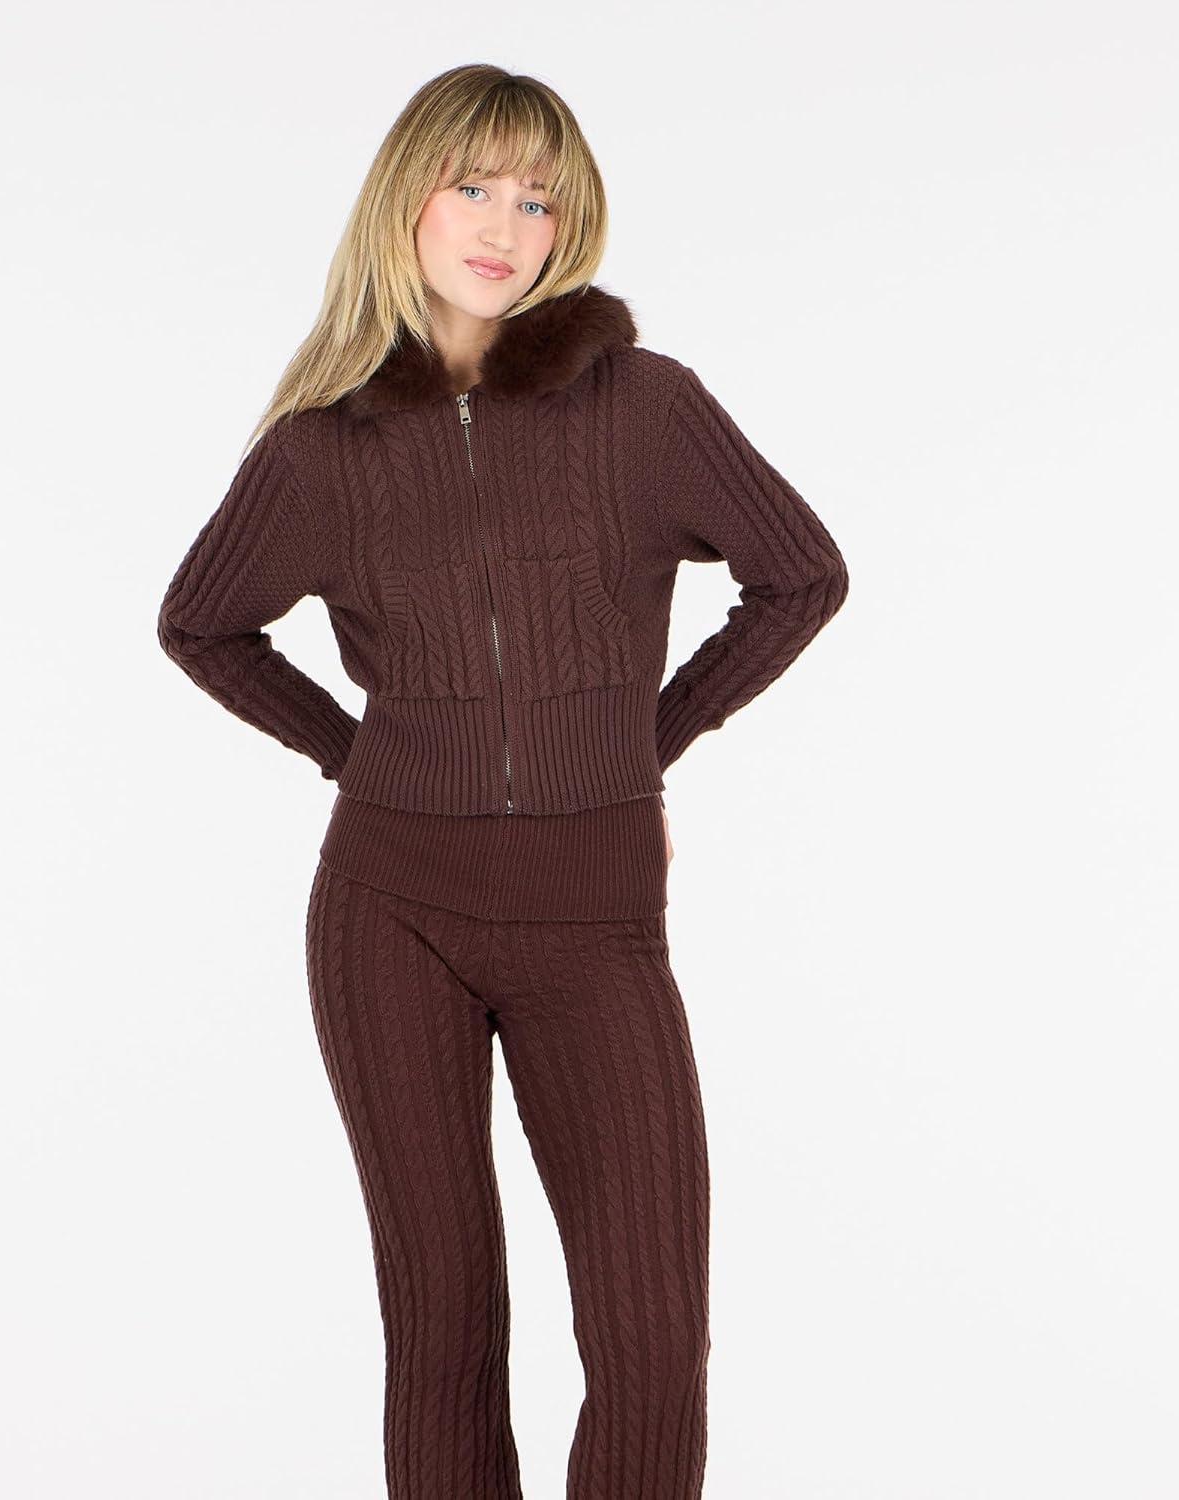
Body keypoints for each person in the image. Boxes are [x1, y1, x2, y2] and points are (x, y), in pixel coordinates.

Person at [156, 61, 849, 1500]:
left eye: (539, 199)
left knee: (650, 1338)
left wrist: (647, 741)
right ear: (404, 198)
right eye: (473, 185)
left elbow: (802, 576)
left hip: (594, 919)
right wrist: (354, 753)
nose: (505, 225)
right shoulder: (323, 448)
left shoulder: (644, 406)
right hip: (390, 909)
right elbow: (200, 623)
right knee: (446, 1331)